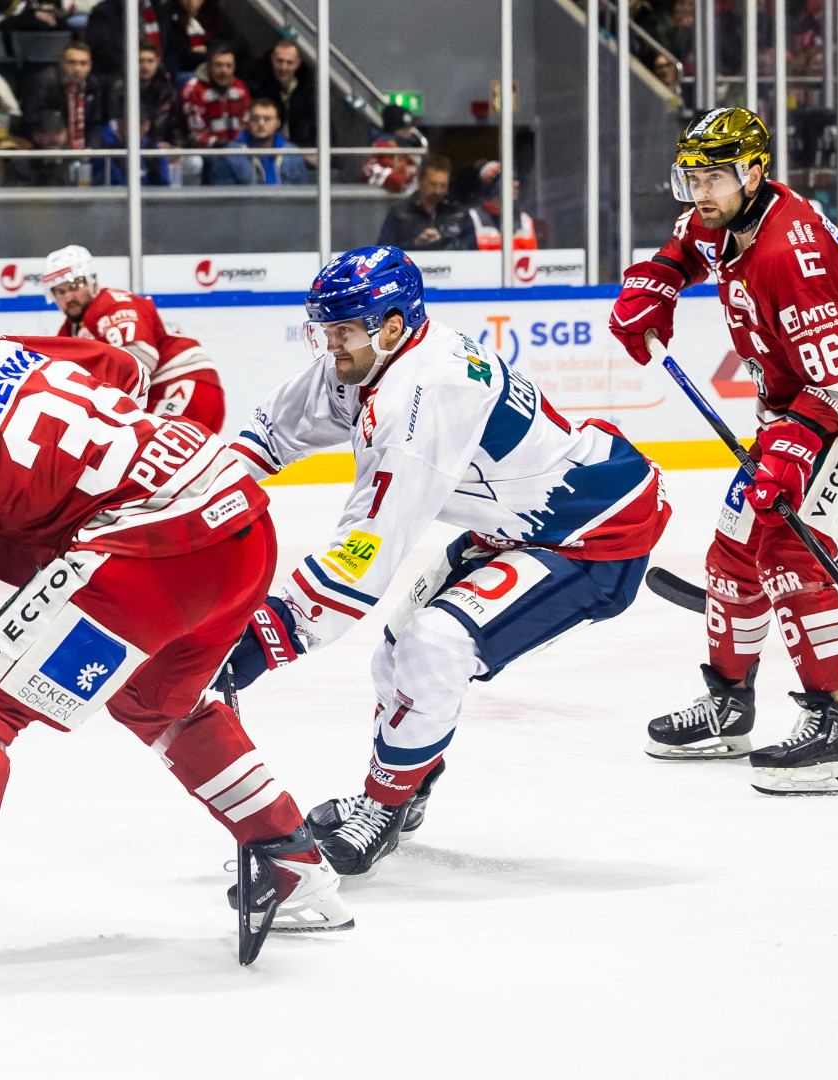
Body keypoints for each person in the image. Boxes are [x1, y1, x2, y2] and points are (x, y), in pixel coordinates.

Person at [0, 280, 349, 1002]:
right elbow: (117, 368)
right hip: (240, 521)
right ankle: (293, 861)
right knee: (155, 699)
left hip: (160, 548)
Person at [222, 247, 669, 875]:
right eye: (325, 330)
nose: (331, 346)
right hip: (516, 525)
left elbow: (365, 550)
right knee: (396, 651)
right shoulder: (376, 354)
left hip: (592, 533)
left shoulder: (425, 397)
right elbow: (273, 431)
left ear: (394, 325)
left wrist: (267, 636)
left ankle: (383, 807)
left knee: (434, 644)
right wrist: (194, 505)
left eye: (343, 331)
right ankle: (405, 790)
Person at [610, 108, 838, 795]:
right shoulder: (728, 218)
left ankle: (833, 728)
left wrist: (788, 454)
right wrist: (655, 285)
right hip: (796, 405)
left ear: (753, 172)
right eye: (693, 178)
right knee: (732, 549)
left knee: (788, 548)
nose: (700, 194)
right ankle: (729, 705)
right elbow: (689, 243)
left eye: (714, 177)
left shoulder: (788, 254)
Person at [42, 243, 226, 432]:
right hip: (164, 394)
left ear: (93, 281)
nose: (69, 296)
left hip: (184, 384)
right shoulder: (70, 330)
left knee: (150, 452)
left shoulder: (112, 304)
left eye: (75, 286)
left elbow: (140, 357)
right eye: (60, 291)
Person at [375, 153, 475, 250]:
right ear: (420, 180)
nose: (438, 191)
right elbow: (384, 254)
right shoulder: (399, 213)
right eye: (433, 184)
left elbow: (473, 252)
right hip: (412, 266)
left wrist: (450, 244)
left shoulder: (460, 213)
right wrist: (414, 243)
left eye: (443, 185)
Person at [23, 41, 107, 155]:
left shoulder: (93, 86)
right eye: (72, 63)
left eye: (83, 63)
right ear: (62, 63)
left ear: (90, 66)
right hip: (49, 149)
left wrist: (91, 147)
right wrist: (51, 132)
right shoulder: (44, 82)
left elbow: (95, 122)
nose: (77, 69)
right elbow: (32, 118)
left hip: (83, 151)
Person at [208, 98, 308, 185]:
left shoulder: (293, 153)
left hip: (287, 206)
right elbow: (223, 200)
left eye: (267, 119)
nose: (260, 123)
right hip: (245, 206)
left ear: (278, 123)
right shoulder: (230, 154)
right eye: (255, 118)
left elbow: (303, 195)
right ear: (248, 122)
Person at [179, 41, 249, 156]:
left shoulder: (240, 87)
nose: (224, 71)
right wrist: (225, 146)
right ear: (208, 66)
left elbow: (246, 124)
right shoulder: (194, 90)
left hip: (237, 150)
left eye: (229, 66)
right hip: (205, 152)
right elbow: (195, 135)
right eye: (218, 65)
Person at [246, 38, 314, 149]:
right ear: (272, 58)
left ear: (298, 63)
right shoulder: (258, 87)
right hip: (265, 148)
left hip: (302, 150)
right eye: (279, 61)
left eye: (289, 62)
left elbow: (320, 126)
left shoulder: (309, 91)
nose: (283, 67)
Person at [467, 160, 536, 251]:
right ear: (493, 186)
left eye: (515, 179)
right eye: (511, 179)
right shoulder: (473, 218)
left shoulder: (525, 220)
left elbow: (534, 260)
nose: (517, 184)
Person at [361, 103, 422, 193]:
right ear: (395, 130)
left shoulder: (406, 151)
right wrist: (398, 180)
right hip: (379, 203)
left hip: (404, 203)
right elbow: (369, 171)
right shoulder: (380, 148)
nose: (409, 133)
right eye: (404, 129)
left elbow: (415, 175)